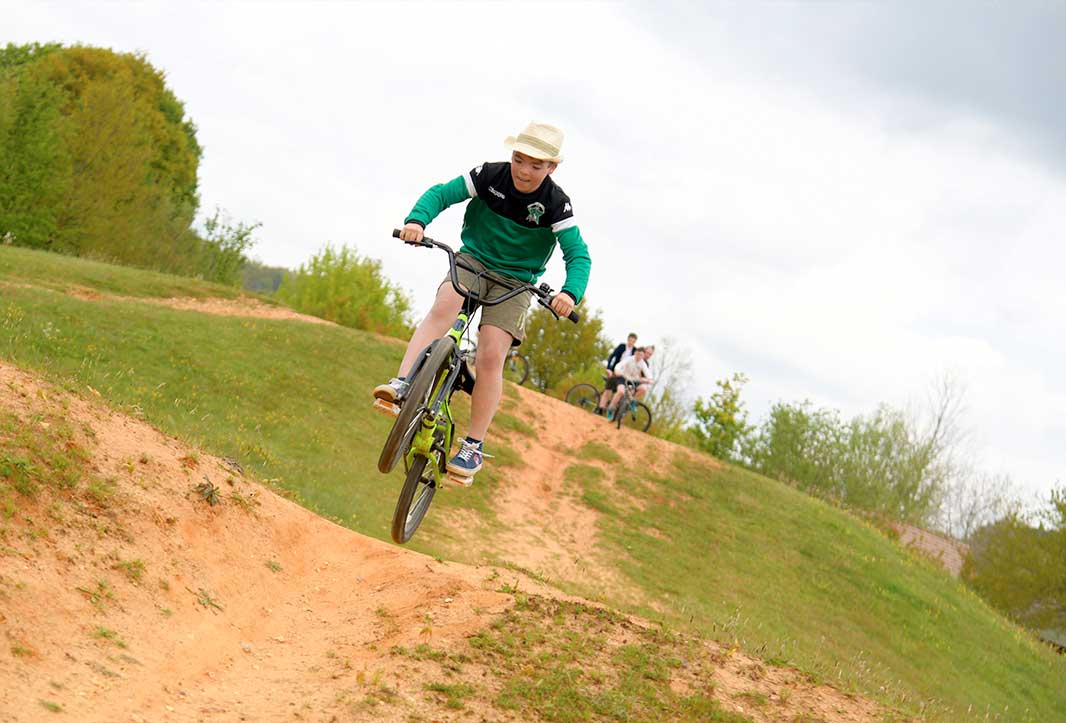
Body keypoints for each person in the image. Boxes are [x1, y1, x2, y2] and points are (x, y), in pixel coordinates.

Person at [374, 122, 591, 485]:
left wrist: (569, 293)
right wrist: (416, 221)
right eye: (519, 160)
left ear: (552, 168)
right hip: (473, 260)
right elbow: (442, 193)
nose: (524, 171)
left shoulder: (556, 204)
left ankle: (473, 446)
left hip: (516, 281)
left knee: (492, 353)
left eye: (536, 166)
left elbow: (578, 255)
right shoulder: (489, 175)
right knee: (444, 306)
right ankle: (401, 384)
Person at [602, 346, 653, 418]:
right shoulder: (629, 359)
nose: (639, 356)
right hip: (624, 378)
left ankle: (632, 402)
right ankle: (611, 408)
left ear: (643, 356)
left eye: (641, 355)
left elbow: (647, 373)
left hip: (634, 380)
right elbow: (619, 365)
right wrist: (617, 371)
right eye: (638, 354)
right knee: (621, 392)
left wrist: (650, 380)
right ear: (635, 353)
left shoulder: (643, 363)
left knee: (643, 389)